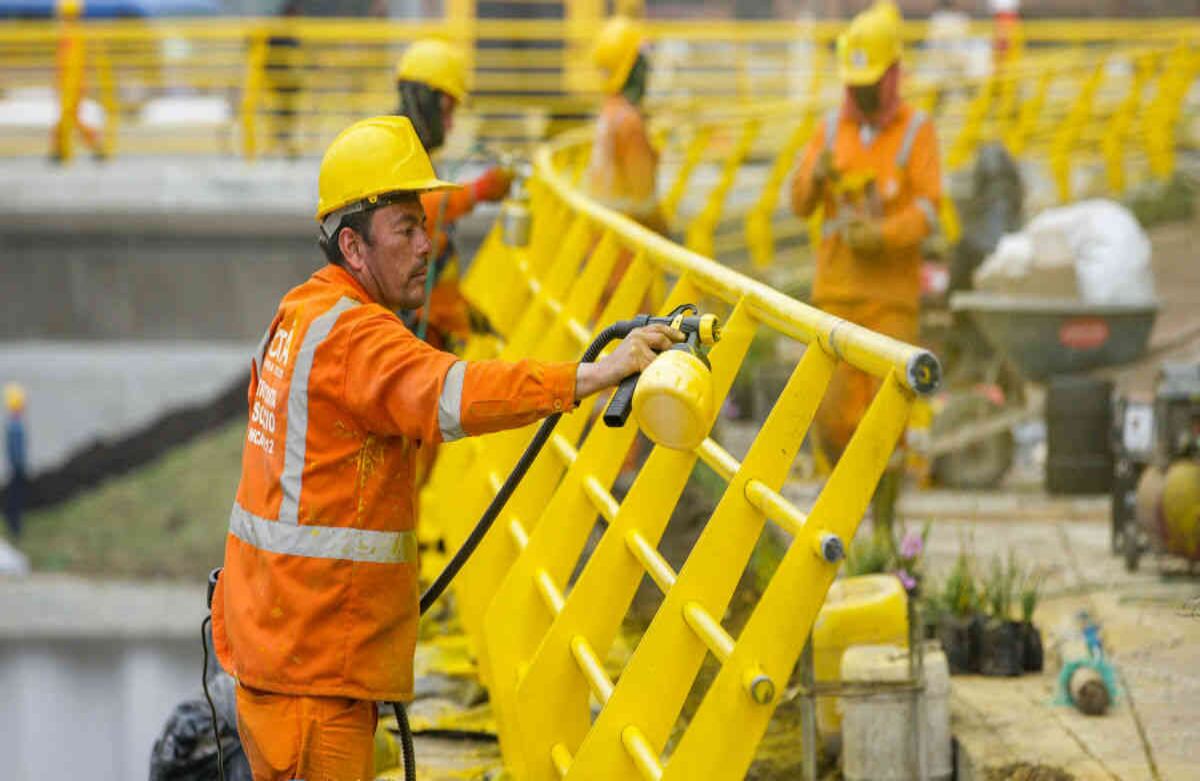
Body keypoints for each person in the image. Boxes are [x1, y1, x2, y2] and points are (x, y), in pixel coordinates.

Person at [209, 115, 679, 781]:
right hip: (313, 670)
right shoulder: (355, 336)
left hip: (281, 649)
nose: (427, 245)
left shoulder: (299, 314)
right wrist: (592, 374)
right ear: (354, 244)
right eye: (407, 229)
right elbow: (455, 394)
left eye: (425, 225)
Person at [789, 1, 941, 527]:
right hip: (836, 297)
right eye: (854, 82)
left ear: (893, 76)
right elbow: (798, 203)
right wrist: (816, 177)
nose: (860, 92)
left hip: (890, 302)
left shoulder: (917, 130)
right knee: (832, 421)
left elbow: (927, 210)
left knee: (884, 425)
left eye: (870, 82)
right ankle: (841, 520)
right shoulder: (830, 131)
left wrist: (881, 236)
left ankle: (883, 532)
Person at [394, 38, 513, 352]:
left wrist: (463, 308)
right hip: (415, 331)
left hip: (434, 326)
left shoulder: (418, 153)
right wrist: (478, 191)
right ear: (424, 101)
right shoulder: (391, 149)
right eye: (445, 111)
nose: (449, 126)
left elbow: (436, 246)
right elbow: (418, 210)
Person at [587, 15, 666, 235]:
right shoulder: (629, 123)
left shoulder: (609, 112)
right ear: (633, 68)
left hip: (601, 243)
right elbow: (644, 201)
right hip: (625, 252)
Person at [49, 0, 104, 162]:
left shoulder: (69, 33)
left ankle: (60, 150)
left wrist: (64, 83)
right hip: (71, 84)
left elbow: (68, 63)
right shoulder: (72, 32)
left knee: (69, 118)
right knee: (71, 118)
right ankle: (61, 150)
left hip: (71, 85)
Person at [4, 383, 27, 540]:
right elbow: (16, 450)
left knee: (14, 495)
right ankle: (15, 527)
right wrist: (19, 466)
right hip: (16, 467)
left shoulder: (12, 424)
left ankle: (13, 524)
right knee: (16, 497)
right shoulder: (16, 426)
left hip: (13, 466)